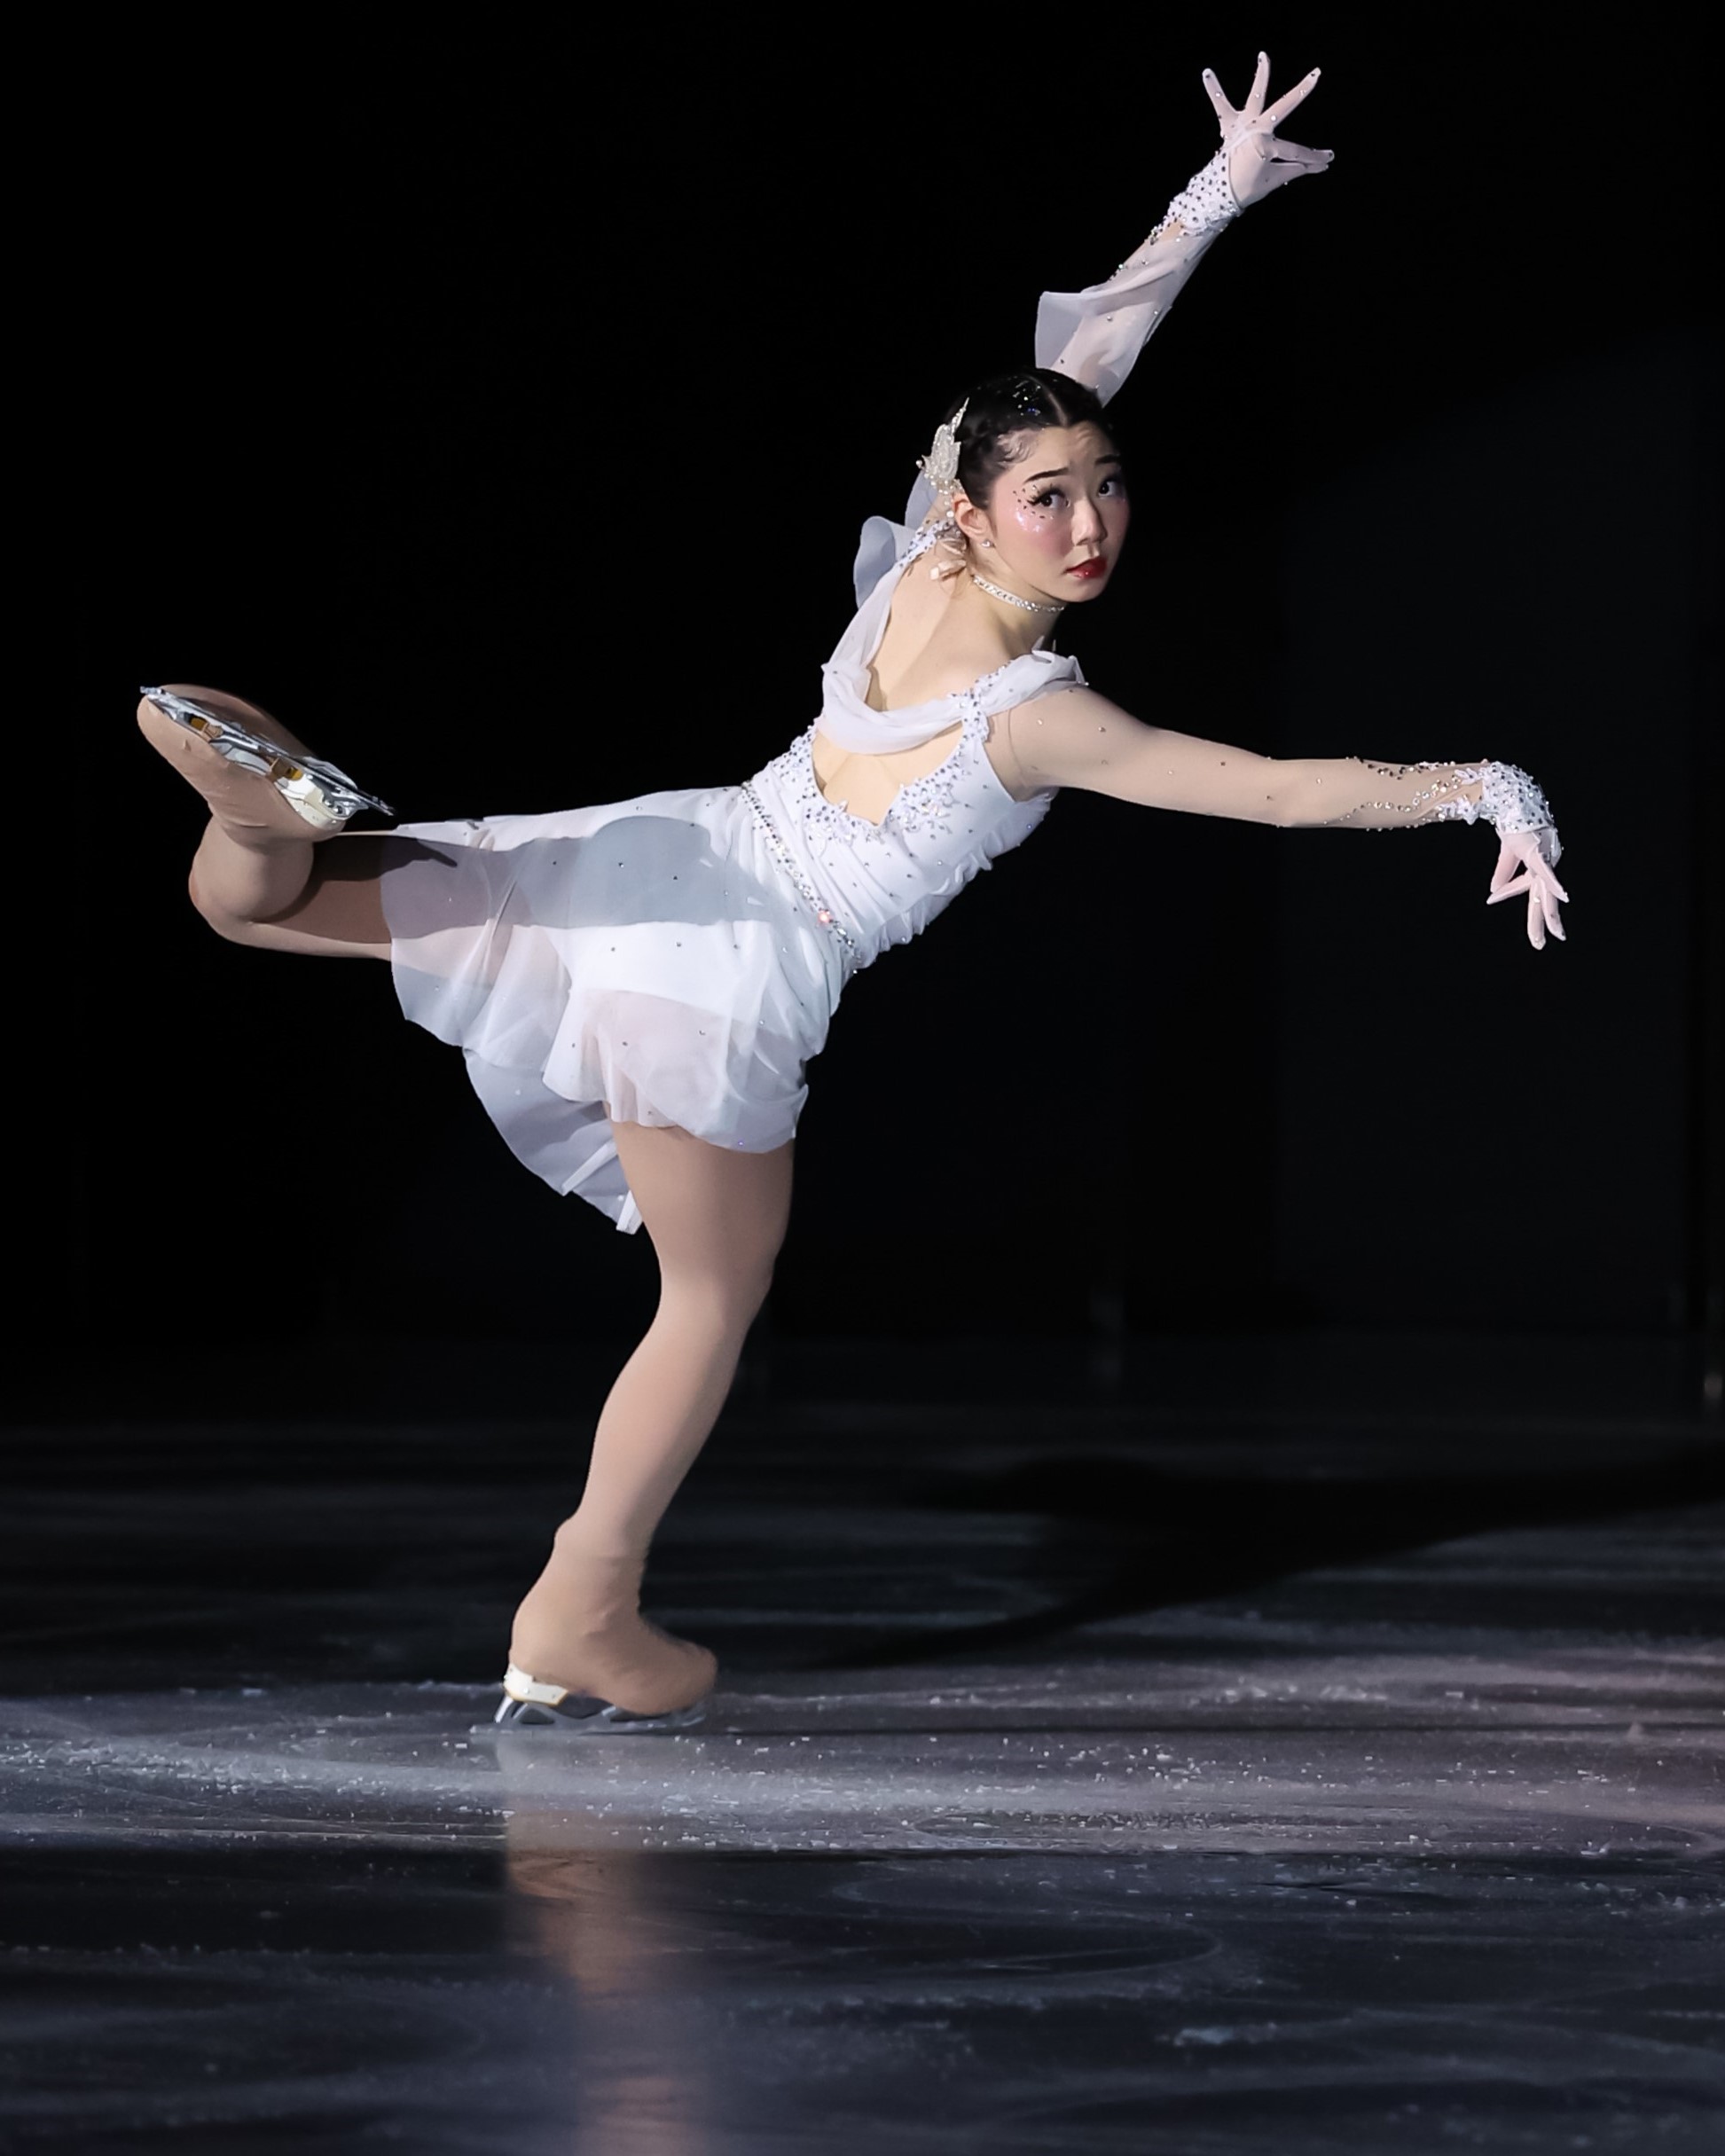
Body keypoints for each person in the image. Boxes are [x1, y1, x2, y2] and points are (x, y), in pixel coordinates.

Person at [137, 55, 1568, 1733]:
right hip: (729, 951)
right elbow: (1262, 788)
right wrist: (1480, 785)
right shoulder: (1043, 718)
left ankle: (253, 803)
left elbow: (1074, 365)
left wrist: (1213, 196)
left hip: (651, 856)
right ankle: (579, 1609)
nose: (1091, 519)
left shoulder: (917, 563)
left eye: (1107, 485)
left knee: (254, 904)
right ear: (978, 517)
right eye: (1053, 498)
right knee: (711, 1294)